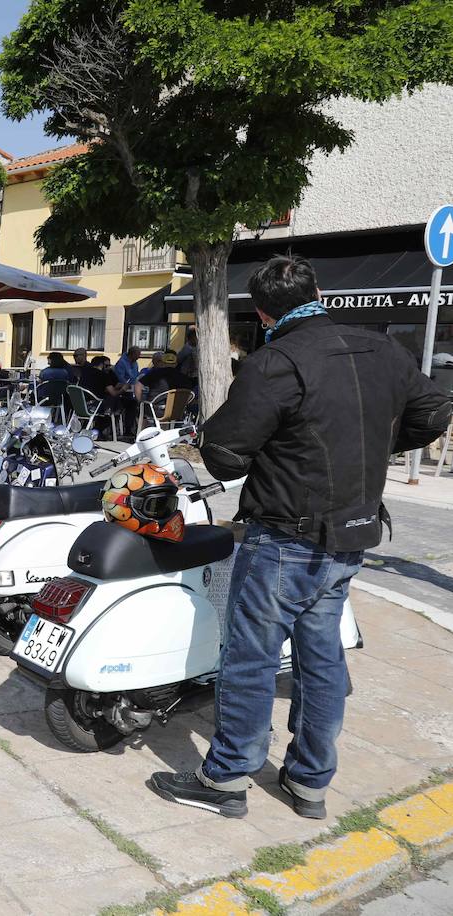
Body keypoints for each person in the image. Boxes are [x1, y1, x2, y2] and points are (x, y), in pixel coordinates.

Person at [150, 254, 451, 819]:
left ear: (263, 312)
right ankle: (310, 782)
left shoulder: (276, 361)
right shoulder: (382, 349)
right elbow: (436, 410)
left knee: (250, 660)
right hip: (350, 536)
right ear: (319, 291)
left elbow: (223, 454)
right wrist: (375, 445)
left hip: (286, 537)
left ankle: (226, 779)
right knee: (322, 656)